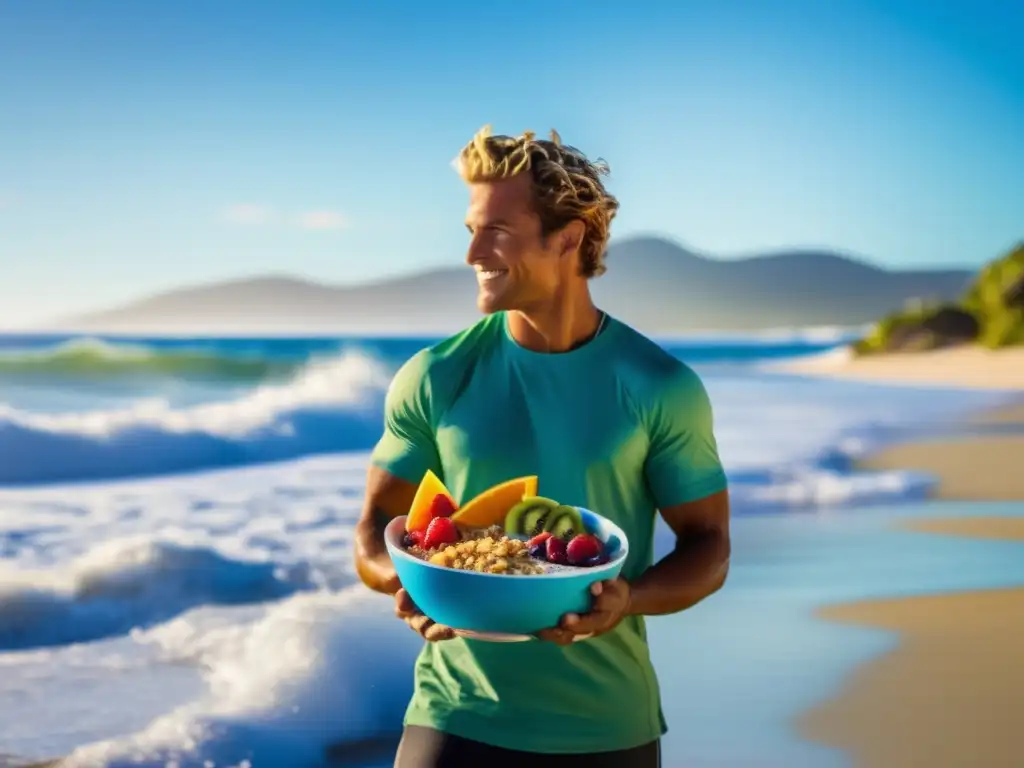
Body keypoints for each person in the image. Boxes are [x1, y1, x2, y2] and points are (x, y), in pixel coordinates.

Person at [354, 126, 731, 768]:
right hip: (454, 713)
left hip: (606, 725)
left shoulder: (658, 386)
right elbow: (374, 533)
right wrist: (408, 584)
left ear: (568, 238)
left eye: (496, 230)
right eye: (471, 229)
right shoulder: (435, 377)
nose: (474, 250)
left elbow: (709, 547)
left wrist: (629, 600)